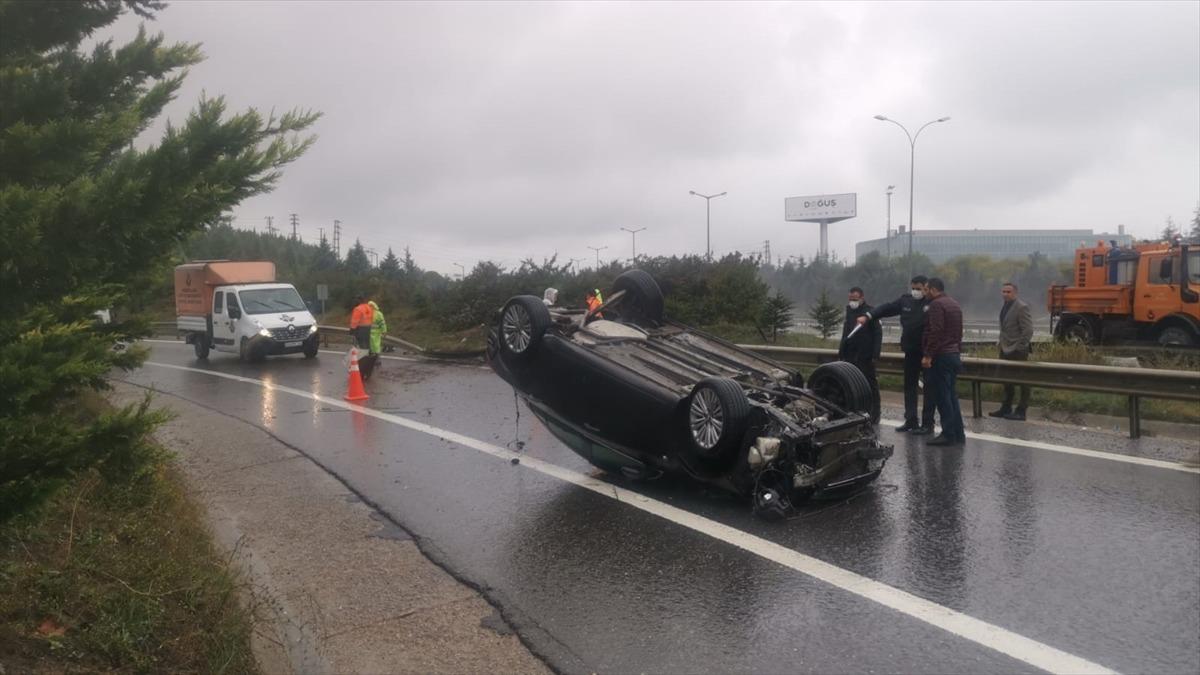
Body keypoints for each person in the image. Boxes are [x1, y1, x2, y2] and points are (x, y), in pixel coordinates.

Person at [857, 275, 936, 434]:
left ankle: (928, 423)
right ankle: (911, 420)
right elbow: (887, 308)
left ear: (925, 288)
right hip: (910, 351)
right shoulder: (905, 301)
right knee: (909, 387)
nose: (915, 291)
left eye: (918, 288)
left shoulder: (931, 302)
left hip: (927, 352)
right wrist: (868, 316)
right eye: (913, 288)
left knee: (929, 389)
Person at [921, 278, 965, 446]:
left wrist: (928, 355)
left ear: (932, 290)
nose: (924, 293)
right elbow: (959, 331)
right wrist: (957, 350)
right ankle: (958, 433)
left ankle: (947, 433)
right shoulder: (953, 303)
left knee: (943, 397)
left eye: (926, 290)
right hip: (953, 354)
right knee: (952, 396)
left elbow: (936, 330)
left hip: (941, 355)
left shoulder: (936, 305)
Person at [989, 282, 1034, 421]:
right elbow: (1005, 328)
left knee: (1022, 381)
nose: (1005, 294)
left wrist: (1020, 347)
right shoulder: (1005, 306)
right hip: (1005, 348)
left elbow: (1028, 330)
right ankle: (1006, 407)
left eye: (1008, 292)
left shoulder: (1021, 307)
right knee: (1006, 380)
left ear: (1015, 293)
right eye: (1003, 291)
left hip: (1017, 350)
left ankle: (1021, 410)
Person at [838, 286, 881, 422]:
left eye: (855, 299)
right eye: (850, 299)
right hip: (850, 355)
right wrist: (841, 350)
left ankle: (875, 413)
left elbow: (878, 334)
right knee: (850, 384)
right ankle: (852, 411)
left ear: (862, 298)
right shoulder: (849, 311)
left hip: (865, 355)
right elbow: (846, 332)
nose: (852, 301)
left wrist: (875, 354)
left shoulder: (870, 312)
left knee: (870, 384)